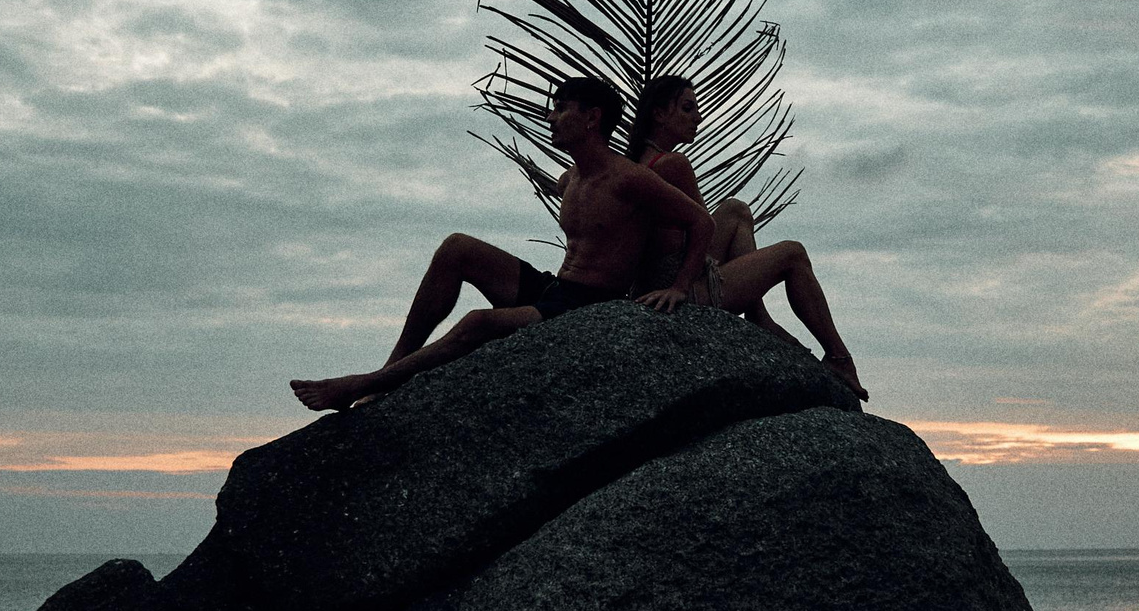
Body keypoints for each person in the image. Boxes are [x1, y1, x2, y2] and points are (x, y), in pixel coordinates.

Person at [289, 78, 710, 411]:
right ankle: (390, 369)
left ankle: (361, 386)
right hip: (557, 291)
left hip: (590, 304)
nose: (552, 116)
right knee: (457, 248)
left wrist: (679, 287)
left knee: (479, 322)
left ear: (591, 118)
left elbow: (701, 221)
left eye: (562, 108)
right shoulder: (572, 179)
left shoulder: (630, 178)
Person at [625, 74, 868, 401]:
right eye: (687, 108)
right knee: (792, 254)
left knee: (735, 210)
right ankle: (840, 359)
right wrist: (680, 287)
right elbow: (704, 229)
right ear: (658, 114)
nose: (697, 117)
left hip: (660, 277)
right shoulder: (672, 165)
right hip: (682, 288)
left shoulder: (640, 162)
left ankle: (758, 316)